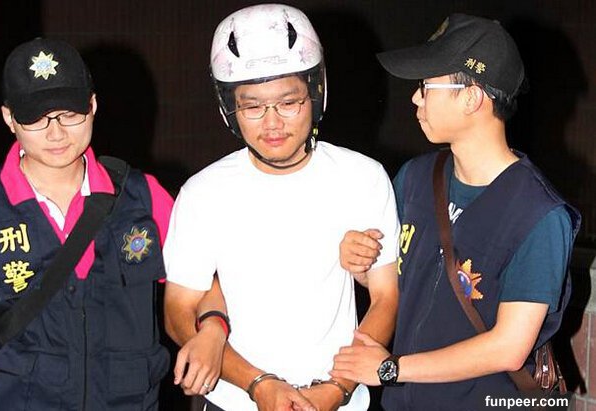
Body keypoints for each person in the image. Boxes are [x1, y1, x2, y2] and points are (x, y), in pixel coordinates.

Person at [0, 37, 223, 411]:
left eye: (69, 113)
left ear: (93, 106)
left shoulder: (142, 197)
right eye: (35, 117)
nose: (56, 132)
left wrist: (212, 331)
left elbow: (203, 285)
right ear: (9, 118)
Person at [332, 13, 581, 411]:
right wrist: (361, 263)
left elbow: (509, 347)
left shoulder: (539, 214)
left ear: (471, 97)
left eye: (425, 86)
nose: (415, 99)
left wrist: (392, 369)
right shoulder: (415, 178)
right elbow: (400, 282)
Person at [163, 4, 400, 411]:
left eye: (289, 103)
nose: (272, 123)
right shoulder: (203, 192)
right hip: (234, 400)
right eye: (252, 107)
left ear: (316, 93)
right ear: (229, 108)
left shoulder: (363, 177)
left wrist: (335, 389)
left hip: (340, 400)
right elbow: (177, 308)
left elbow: (385, 298)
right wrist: (258, 384)